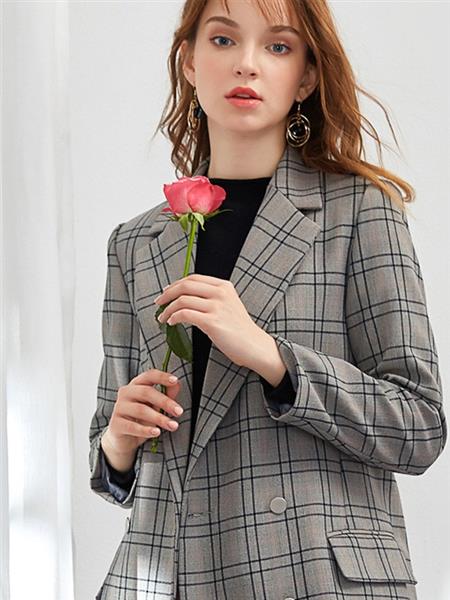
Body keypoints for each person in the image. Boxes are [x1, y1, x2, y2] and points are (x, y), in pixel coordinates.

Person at [88, 1, 447, 599]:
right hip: (167, 575)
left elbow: (419, 426)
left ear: (306, 76)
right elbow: (110, 461)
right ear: (189, 61)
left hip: (308, 576)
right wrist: (118, 441)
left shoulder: (359, 211)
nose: (247, 64)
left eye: (277, 46)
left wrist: (272, 356)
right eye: (223, 40)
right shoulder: (136, 243)